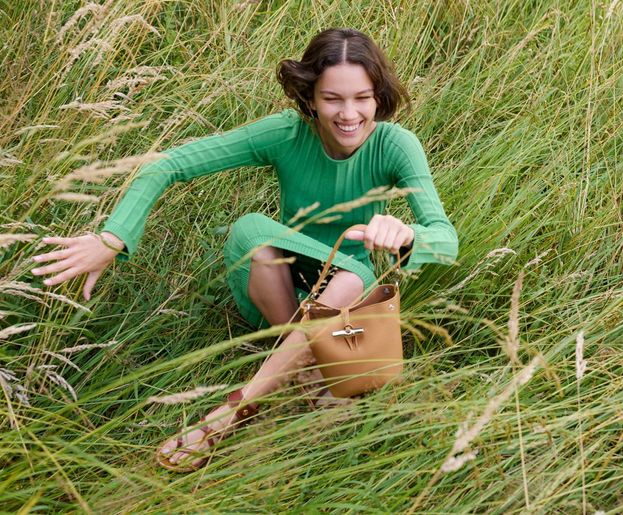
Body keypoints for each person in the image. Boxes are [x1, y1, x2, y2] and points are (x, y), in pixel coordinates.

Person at [31, 28, 458, 471]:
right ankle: (304, 370)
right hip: (279, 292)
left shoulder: (394, 144)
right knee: (251, 230)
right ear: (310, 98)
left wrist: (407, 235)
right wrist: (112, 238)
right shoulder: (287, 134)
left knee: (352, 276)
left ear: (378, 97)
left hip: (349, 307)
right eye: (332, 99)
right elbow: (169, 164)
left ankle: (234, 410)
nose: (349, 114)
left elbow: (446, 239)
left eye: (362, 98)